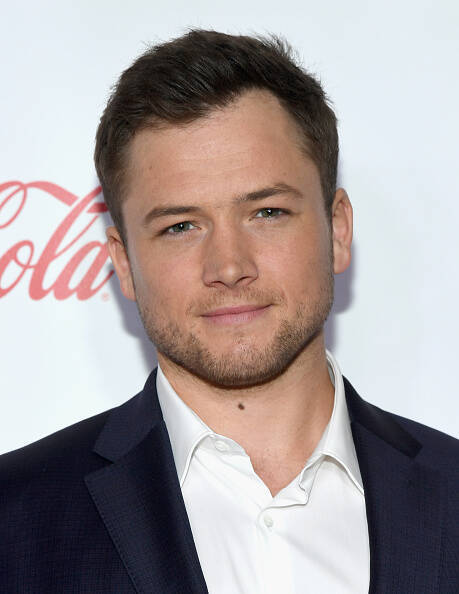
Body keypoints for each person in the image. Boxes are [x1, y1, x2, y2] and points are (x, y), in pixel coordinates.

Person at [1, 29, 457, 594]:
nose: (229, 265)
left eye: (267, 213)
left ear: (338, 229)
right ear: (123, 263)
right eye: (180, 227)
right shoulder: (13, 520)